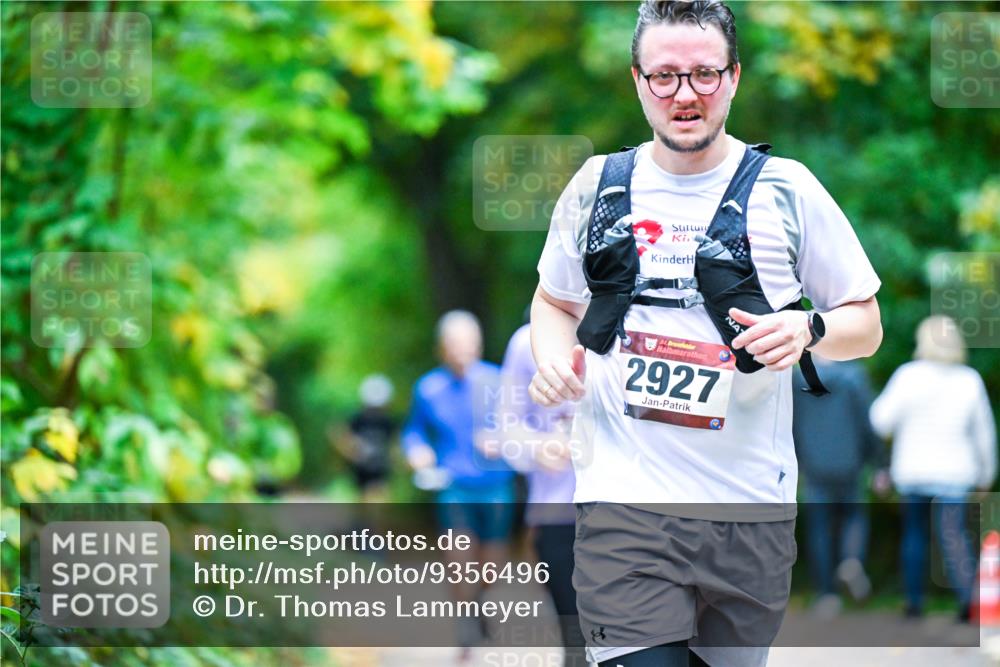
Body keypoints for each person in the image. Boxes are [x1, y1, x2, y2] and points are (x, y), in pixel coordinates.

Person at [529, 2, 883, 666]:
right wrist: (551, 360)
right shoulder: (594, 188)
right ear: (637, 80)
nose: (684, 94)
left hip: (747, 510)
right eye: (664, 76)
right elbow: (552, 301)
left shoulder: (788, 192)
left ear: (735, 77)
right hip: (623, 505)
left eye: (703, 74)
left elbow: (864, 324)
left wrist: (809, 328)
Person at [402, 310, 516, 660]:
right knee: (458, 560)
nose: (462, 349)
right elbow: (413, 431)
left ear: (479, 344)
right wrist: (417, 451)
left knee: (491, 568)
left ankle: (480, 602)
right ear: (441, 348)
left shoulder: (499, 381)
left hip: (496, 484)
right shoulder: (428, 388)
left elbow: (523, 425)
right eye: (454, 342)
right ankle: (465, 622)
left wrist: (502, 438)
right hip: (453, 484)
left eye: (468, 341)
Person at [870, 315, 996, 622]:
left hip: (913, 471)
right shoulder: (969, 380)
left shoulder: (908, 376)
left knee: (914, 535)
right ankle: (967, 601)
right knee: (953, 536)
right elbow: (984, 434)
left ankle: (914, 603)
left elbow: (880, 419)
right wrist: (986, 475)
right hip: (955, 474)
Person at [493, 321, 586, 666]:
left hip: (628, 509)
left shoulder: (640, 325)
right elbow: (507, 426)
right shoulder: (526, 342)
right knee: (575, 631)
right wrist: (536, 446)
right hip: (558, 511)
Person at [792, 359, 885, 618]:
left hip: (813, 464)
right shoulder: (854, 376)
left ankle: (827, 595)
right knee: (854, 516)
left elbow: (791, 422)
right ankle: (852, 561)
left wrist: (795, 460)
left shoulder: (798, 378)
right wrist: (879, 462)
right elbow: (867, 421)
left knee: (820, 528)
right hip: (850, 462)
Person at [335, 374, 396, 502]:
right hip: (362, 466)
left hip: (381, 466)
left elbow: (394, 442)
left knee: (380, 497)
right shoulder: (358, 420)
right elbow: (340, 433)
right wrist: (351, 452)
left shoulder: (387, 421)